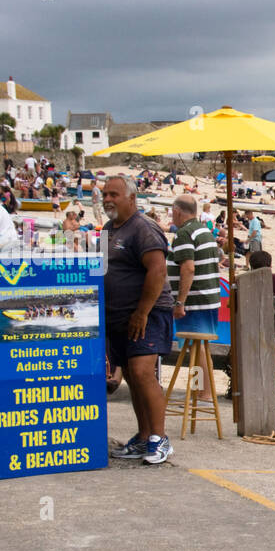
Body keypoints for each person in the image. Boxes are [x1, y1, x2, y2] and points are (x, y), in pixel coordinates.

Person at [101, 175, 176, 464]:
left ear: (131, 198)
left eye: (114, 194)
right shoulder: (109, 229)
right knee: (131, 376)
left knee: (144, 373)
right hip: (119, 318)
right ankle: (144, 437)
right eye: (105, 194)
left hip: (148, 314)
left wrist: (142, 313)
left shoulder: (144, 229)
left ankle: (160, 439)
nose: (108, 199)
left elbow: (157, 271)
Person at [168, 194, 220, 405]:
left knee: (195, 348)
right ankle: (202, 391)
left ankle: (202, 393)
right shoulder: (204, 230)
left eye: (172, 212)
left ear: (178, 211)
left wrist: (180, 302)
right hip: (208, 297)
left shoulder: (184, 233)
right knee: (200, 348)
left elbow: (188, 268)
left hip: (195, 300)